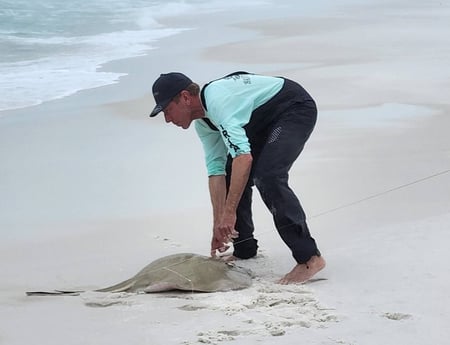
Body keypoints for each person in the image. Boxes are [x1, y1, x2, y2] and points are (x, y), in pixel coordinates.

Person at [149, 71, 325, 284]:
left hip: (292, 108)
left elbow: (244, 157)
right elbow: (216, 172)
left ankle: (310, 258)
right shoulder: (204, 123)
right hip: (261, 120)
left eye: (168, 110)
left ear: (186, 97)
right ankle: (244, 248)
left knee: (268, 176)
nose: (167, 120)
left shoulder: (219, 103)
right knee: (232, 171)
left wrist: (229, 213)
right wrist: (218, 225)